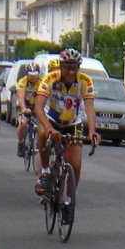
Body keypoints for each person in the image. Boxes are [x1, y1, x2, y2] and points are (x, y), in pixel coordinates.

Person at [34, 49, 99, 205]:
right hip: (52, 120)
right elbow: (38, 107)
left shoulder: (85, 81)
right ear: (61, 67)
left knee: (75, 164)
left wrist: (92, 131)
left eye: (74, 67)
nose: (71, 72)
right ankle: (45, 171)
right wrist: (49, 128)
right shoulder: (50, 79)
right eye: (67, 67)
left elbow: (89, 107)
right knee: (42, 133)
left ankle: (69, 200)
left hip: (72, 123)